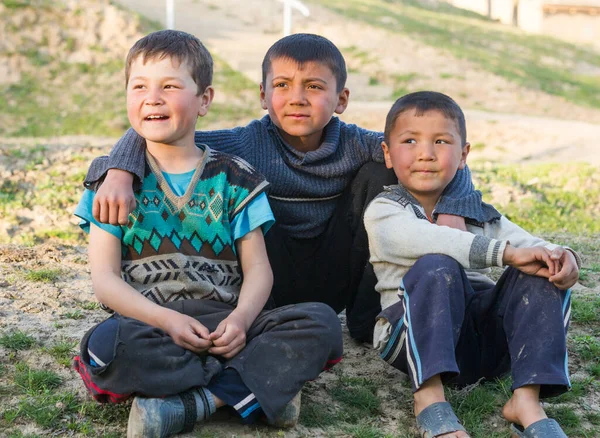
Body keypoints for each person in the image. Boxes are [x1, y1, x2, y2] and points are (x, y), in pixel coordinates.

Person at [83, 34, 493, 343]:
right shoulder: (247, 144)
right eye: (282, 86)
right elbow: (163, 133)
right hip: (269, 276)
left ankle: (374, 315)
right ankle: (264, 321)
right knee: (244, 193)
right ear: (263, 96)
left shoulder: (356, 143)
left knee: (381, 173)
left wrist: (453, 209)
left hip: (339, 266)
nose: (296, 99)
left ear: (341, 99)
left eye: (314, 87)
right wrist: (119, 170)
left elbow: (428, 152)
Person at [73, 29, 343, 438]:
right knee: (105, 346)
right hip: (151, 324)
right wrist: (166, 321)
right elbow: (105, 281)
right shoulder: (111, 185)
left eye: (170, 86)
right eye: (139, 87)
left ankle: (194, 402)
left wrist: (240, 320)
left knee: (321, 323)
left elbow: (259, 272)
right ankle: (252, 388)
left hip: (226, 325)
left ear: (205, 100)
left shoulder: (236, 178)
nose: (153, 98)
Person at [364, 91, 580, 438]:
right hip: (411, 338)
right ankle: (429, 396)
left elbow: (530, 243)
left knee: (540, 271)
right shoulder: (385, 210)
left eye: (441, 141)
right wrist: (505, 254)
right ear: (388, 154)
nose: (426, 153)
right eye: (410, 141)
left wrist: (561, 255)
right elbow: (433, 239)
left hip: (484, 346)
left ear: (463, 154)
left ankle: (526, 400)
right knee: (437, 264)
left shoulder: (475, 213)